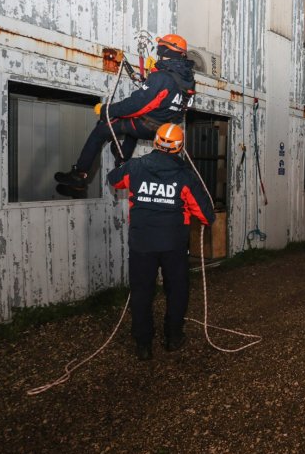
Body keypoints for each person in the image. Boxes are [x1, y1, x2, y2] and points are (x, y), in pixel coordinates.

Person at [107, 123, 215, 360]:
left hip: (141, 244)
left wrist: (122, 163)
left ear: (156, 142)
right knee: (177, 291)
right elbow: (207, 216)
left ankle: (143, 345)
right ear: (180, 147)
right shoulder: (185, 176)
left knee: (141, 293)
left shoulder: (135, 167)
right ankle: (173, 338)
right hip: (173, 245)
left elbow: (114, 179)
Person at [56, 34, 196, 192]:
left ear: (164, 51)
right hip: (160, 129)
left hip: (146, 125)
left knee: (102, 129)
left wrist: (106, 110)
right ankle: (122, 158)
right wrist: (150, 79)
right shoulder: (188, 81)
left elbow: (136, 106)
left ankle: (78, 176)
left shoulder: (162, 77)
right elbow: (173, 105)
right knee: (130, 129)